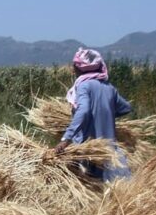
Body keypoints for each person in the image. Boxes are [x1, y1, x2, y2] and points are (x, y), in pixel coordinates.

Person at [54, 48, 133, 182]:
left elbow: (83, 111)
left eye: (75, 65)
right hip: (107, 150)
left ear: (81, 68)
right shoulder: (109, 87)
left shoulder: (84, 86)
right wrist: (105, 115)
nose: (73, 68)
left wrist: (66, 139)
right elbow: (126, 107)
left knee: (88, 185)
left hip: (88, 149)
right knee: (105, 187)